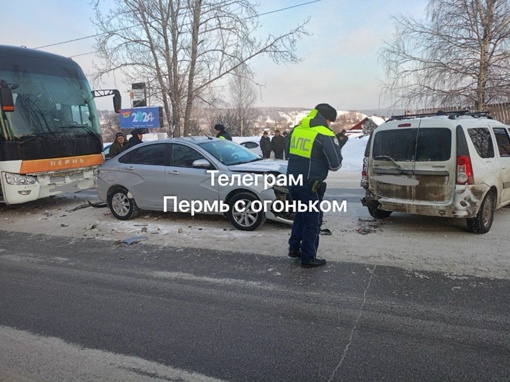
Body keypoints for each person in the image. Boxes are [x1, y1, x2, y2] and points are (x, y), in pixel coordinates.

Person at [286, 103, 342, 268]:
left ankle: (294, 248)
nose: (330, 124)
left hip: (292, 181)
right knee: (312, 220)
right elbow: (335, 165)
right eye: (330, 121)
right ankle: (308, 257)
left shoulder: (297, 129)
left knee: (300, 215)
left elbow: (287, 152)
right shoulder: (324, 133)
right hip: (310, 184)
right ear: (326, 119)